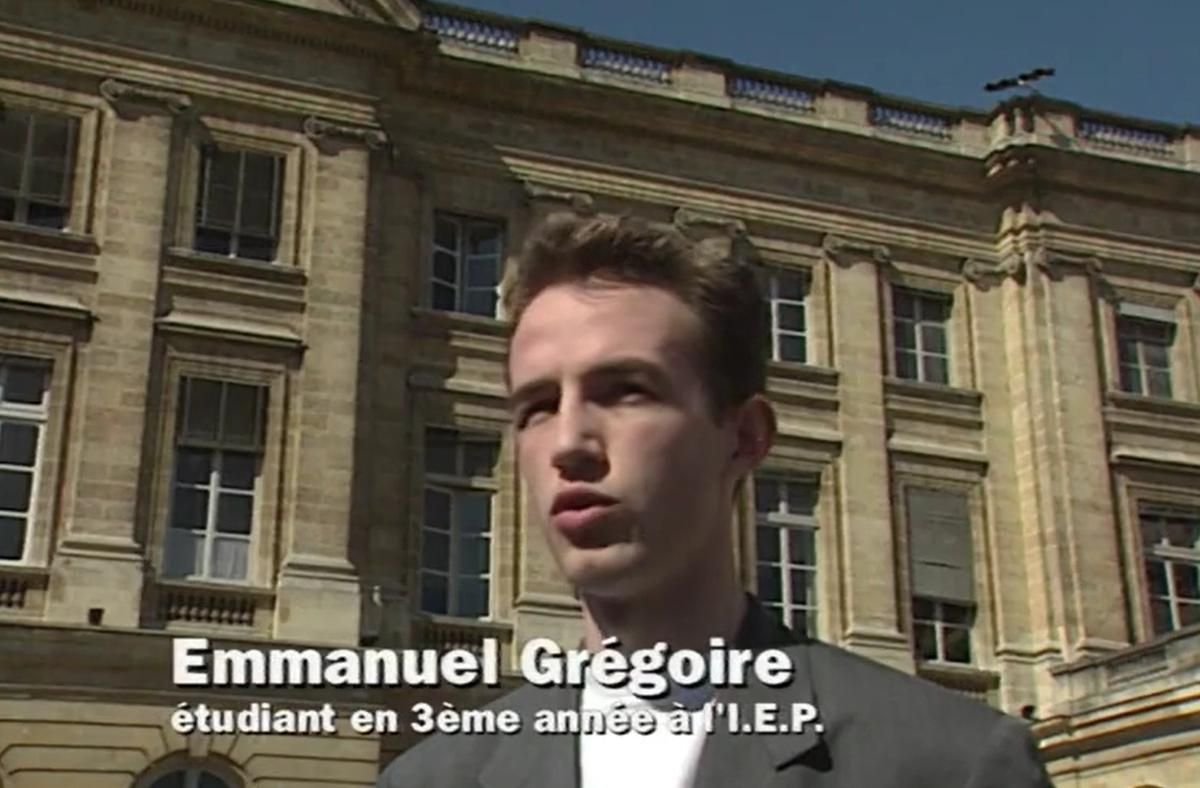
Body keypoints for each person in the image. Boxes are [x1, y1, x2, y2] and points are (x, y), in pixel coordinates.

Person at [378, 212, 1054, 788]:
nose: (569, 442)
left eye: (626, 390)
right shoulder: (430, 778)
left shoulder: (955, 768)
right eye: (537, 406)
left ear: (745, 437)